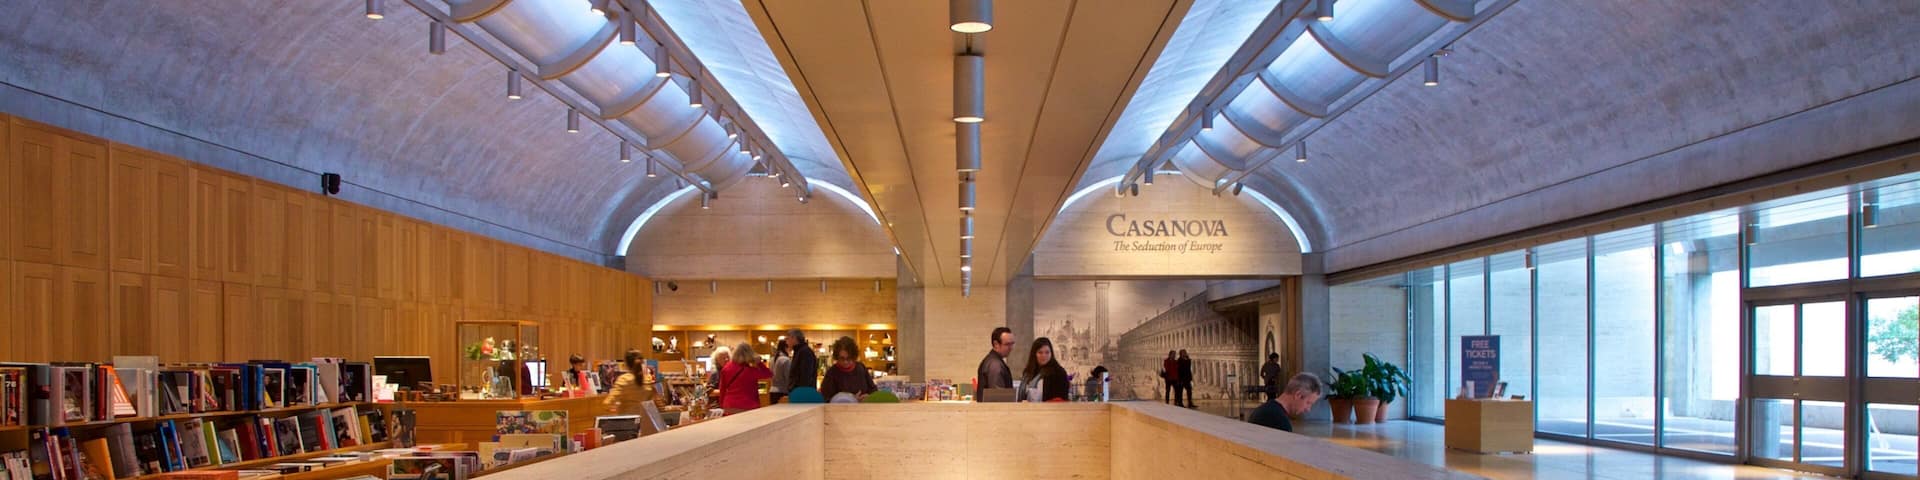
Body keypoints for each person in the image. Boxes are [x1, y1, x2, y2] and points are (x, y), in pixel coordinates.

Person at [1248, 373, 1323, 432]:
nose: (1308, 409)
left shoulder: (1266, 409)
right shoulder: (1279, 420)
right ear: (1298, 395)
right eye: (1308, 403)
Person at [718, 342, 772, 414]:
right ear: (751, 355)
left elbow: (722, 389)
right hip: (748, 405)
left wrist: (722, 405)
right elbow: (768, 374)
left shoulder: (726, 368)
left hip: (729, 405)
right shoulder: (751, 371)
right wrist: (759, 363)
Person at [818, 336, 876, 401]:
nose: (845, 362)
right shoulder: (832, 373)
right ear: (837, 357)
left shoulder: (861, 368)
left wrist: (869, 396)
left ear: (854, 356)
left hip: (864, 405)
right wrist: (850, 399)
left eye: (849, 358)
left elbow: (873, 389)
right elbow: (826, 398)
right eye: (842, 358)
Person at [603, 349, 654, 415]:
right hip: (646, 417)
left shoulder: (624, 379)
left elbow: (607, 403)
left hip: (628, 418)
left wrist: (615, 408)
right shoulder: (648, 378)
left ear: (626, 364)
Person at [1019, 337, 1069, 402]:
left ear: (1051, 353)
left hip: (1048, 408)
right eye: (1040, 352)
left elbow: (1061, 399)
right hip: (1026, 407)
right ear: (1034, 354)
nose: (1044, 356)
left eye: (1047, 352)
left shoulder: (1058, 372)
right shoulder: (1028, 372)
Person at [976, 327, 1015, 398]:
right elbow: (998, 398)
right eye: (1007, 344)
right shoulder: (995, 365)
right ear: (996, 344)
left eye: (1012, 344)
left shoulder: (992, 361)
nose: (1011, 348)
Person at [769, 339, 793, 404]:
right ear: (786, 347)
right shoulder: (786, 360)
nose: (791, 350)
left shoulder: (772, 359)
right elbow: (788, 377)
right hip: (782, 391)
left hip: (772, 390)